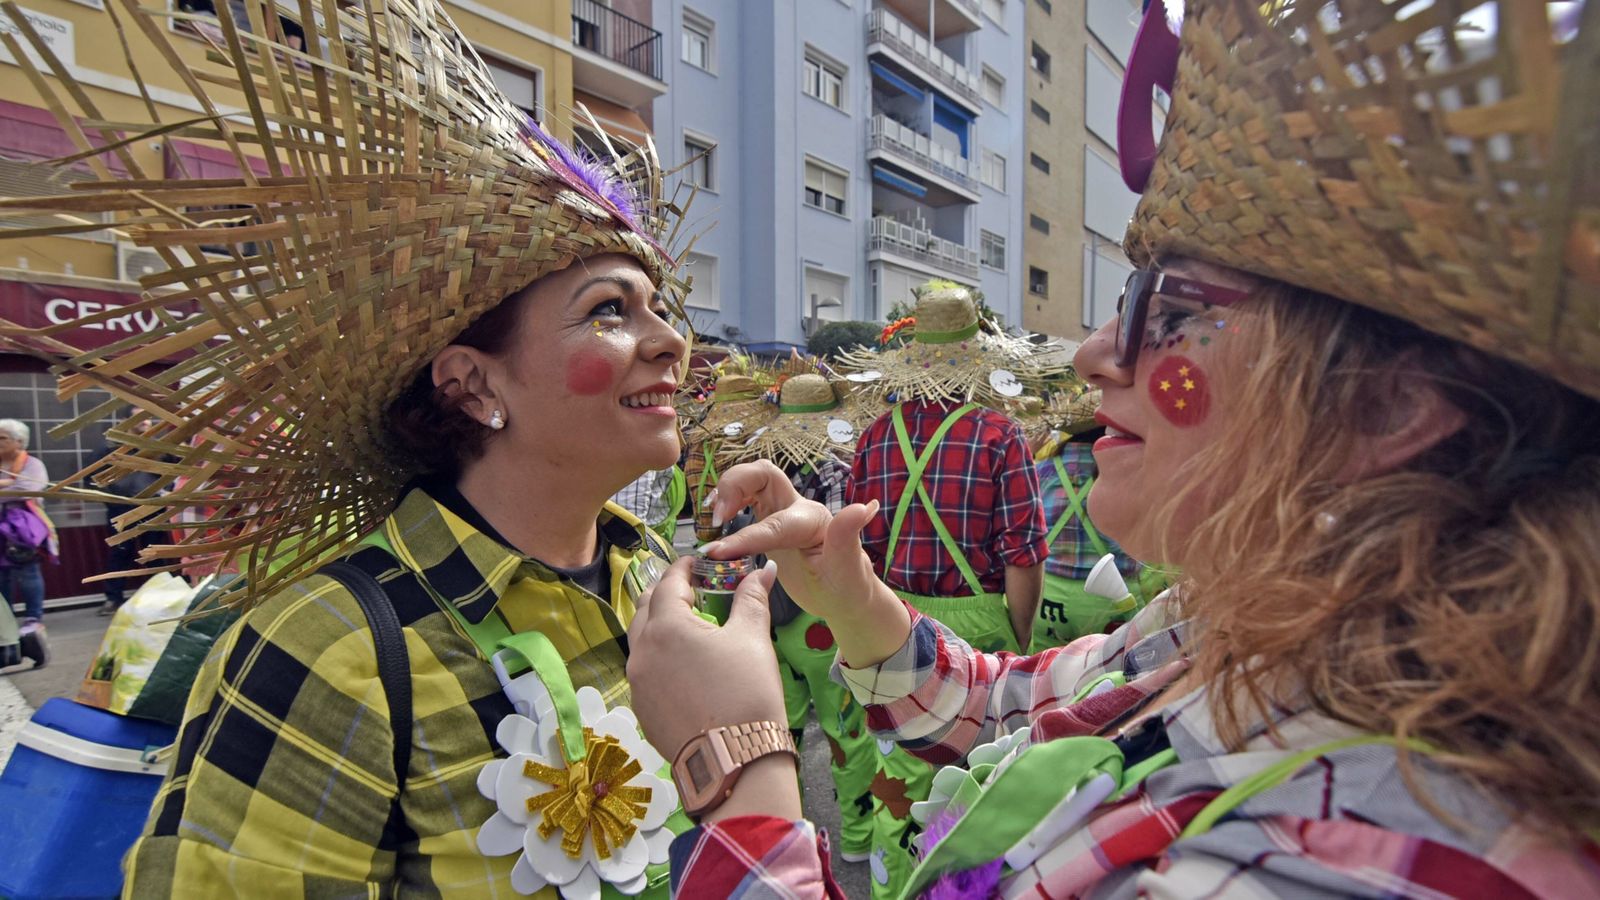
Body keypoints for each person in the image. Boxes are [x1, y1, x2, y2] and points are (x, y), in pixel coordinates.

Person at [626, 0, 1600, 895]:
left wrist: (740, 771)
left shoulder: (1377, 860)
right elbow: (1017, 700)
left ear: (1386, 404)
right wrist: (852, 596)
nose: (1096, 353)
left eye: (1166, 310)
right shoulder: (1256, 616)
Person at [0, 0, 700, 894]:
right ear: (473, 387)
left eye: (656, 307)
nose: (671, 340)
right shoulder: (327, 649)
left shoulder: (652, 582)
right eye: (609, 310)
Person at [834, 281, 1059, 896]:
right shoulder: (1000, 435)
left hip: (894, 623)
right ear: (977, 364)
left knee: (897, 791)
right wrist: (1018, 633)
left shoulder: (874, 438)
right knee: (980, 791)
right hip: (981, 622)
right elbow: (1024, 556)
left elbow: (857, 550)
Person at [700, 368, 879, 865]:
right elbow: (845, 553)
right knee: (845, 730)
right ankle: (858, 836)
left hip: (760, 612)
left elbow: (716, 545)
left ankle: (787, 832)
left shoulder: (748, 468)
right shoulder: (835, 473)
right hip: (816, 622)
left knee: (778, 733)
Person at [1026, 388, 1153, 652]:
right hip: (1114, 598)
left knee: (1046, 671)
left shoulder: (1041, 469)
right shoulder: (1132, 468)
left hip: (1048, 599)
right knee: (1117, 671)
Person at [86, 433, 161, 615]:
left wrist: (166, 492)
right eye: (140, 420)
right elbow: (91, 477)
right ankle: (113, 598)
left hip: (152, 505)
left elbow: (174, 468)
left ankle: (161, 596)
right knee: (120, 551)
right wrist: (111, 499)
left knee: (155, 552)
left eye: (148, 420)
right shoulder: (110, 447)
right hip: (121, 507)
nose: (145, 423)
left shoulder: (157, 446)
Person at [0, 419, 50, 624]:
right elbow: (16, 489)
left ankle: (33, 618)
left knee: (28, 571)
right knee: (2, 574)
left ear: (19, 441)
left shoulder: (33, 464)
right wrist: (9, 484)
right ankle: (6, 619)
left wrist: (10, 487)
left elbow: (27, 489)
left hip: (23, 526)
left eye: (3, 438)